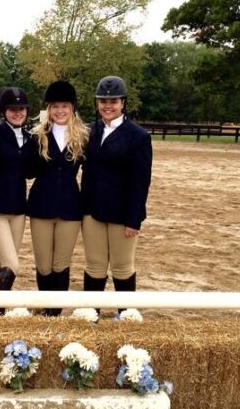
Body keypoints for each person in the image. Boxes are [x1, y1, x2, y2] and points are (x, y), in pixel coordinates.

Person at [80, 75, 152, 301]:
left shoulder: (138, 136)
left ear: (123, 103)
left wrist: (134, 218)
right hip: (92, 210)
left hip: (122, 214)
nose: (107, 106)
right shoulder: (88, 131)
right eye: (103, 101)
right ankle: (90, 313)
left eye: (113, 101)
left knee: (121, 266)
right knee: (94, 265)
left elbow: (141, 181)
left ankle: (126, 315)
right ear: (97, 103)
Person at [26, 81, 89, 316]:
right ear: (48, 109)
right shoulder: (37, 136)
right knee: (43, 263)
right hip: (41, 206)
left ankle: (55, 313)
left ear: (72, 108)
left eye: (64, 106)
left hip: (70, 208)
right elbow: (27, 168)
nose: (60, 111)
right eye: (55, 106)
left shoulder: (84, 137)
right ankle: (45, 308)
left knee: (61, 263)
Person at [0, 87, 36, 314]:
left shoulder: (30, 137)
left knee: (4, 262)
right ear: (4, 111)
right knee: (12, 264)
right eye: (12, 109)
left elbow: (30, 171)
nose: (17, 113)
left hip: (18, 208)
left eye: (21, 109)